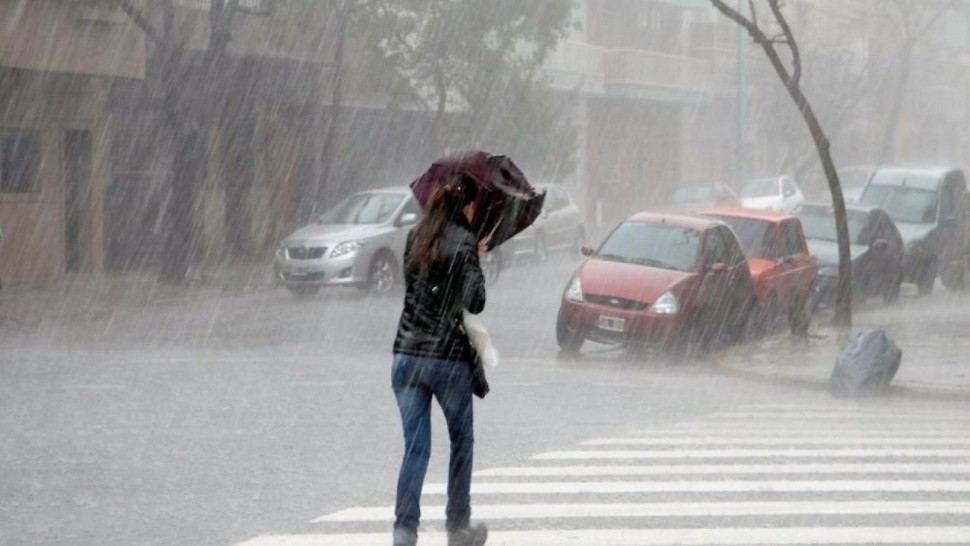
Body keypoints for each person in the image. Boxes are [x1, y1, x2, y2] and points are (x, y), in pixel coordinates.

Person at [391, 174, 488, 546]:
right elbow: (474, 301)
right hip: (447, 359)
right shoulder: (464, 242)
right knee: (461, 442)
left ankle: (404, 532)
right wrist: (475, 261)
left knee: (416, 448)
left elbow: (413, 289)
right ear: (466, 206)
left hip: (405, 356)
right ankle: (458, 527)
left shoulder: (415, 238)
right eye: (474, 206)